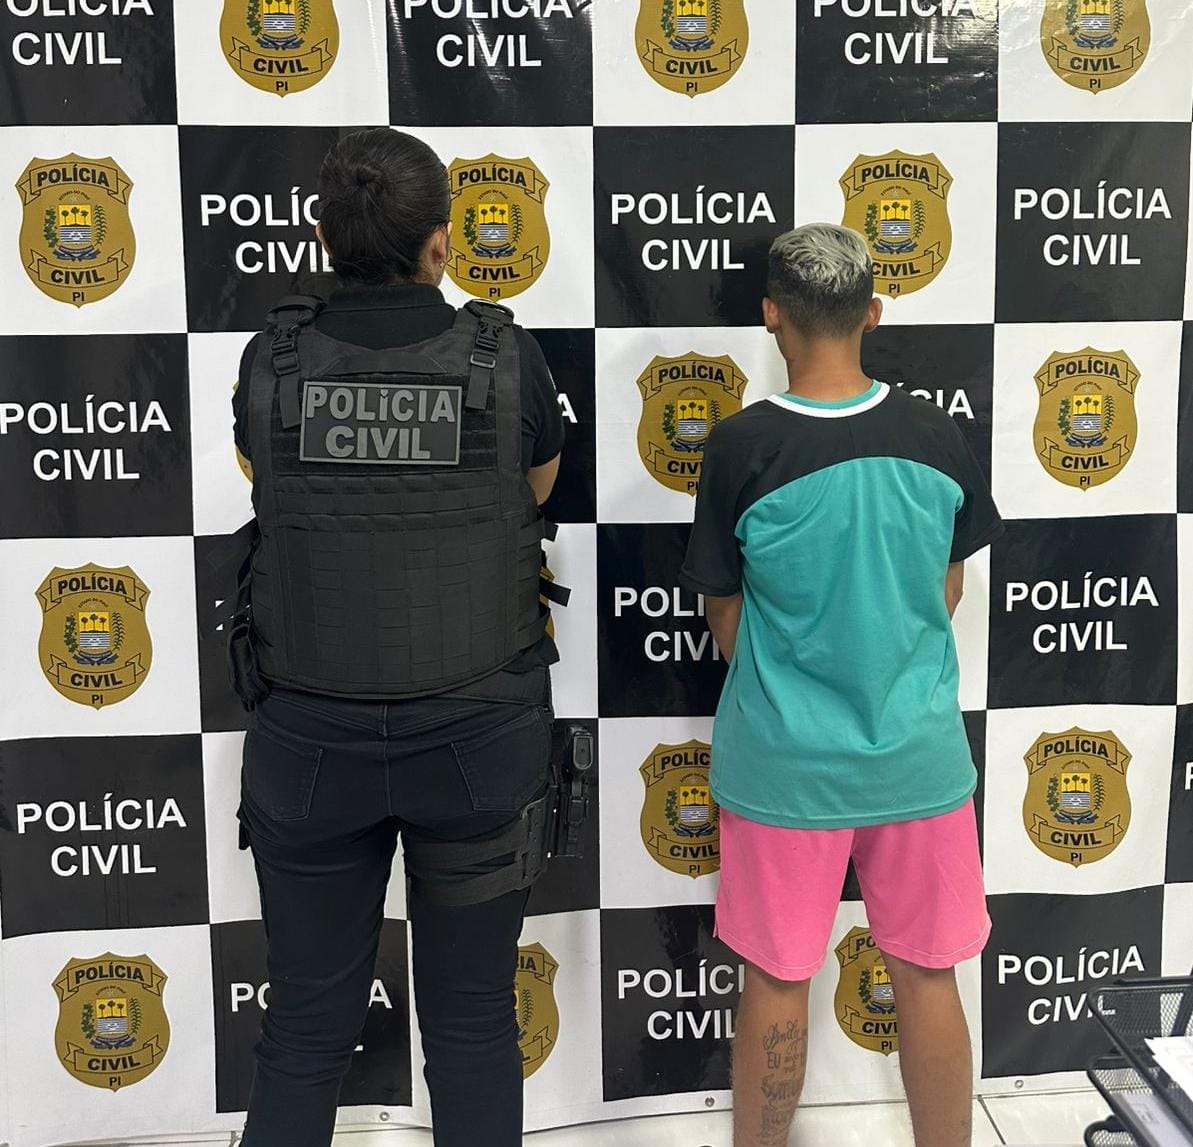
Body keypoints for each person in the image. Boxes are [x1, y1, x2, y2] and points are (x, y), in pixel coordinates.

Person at [228, 127, 565, 1147]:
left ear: (321, 237)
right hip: (477, 738)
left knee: (303, 1028)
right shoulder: (506, 357)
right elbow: (532, 489)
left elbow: (267, 482)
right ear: (442, 242)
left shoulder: (271, 360)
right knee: (472, 1023)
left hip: (309, 743)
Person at [679, 222, 1003, 1147]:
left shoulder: (740, 446)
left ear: (770, 314)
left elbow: (724, 616)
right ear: (873, 311)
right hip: (916, 759)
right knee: (928, 975)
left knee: (776, 976)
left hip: (785, 766)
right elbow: (945, 589)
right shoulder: (934, 433)